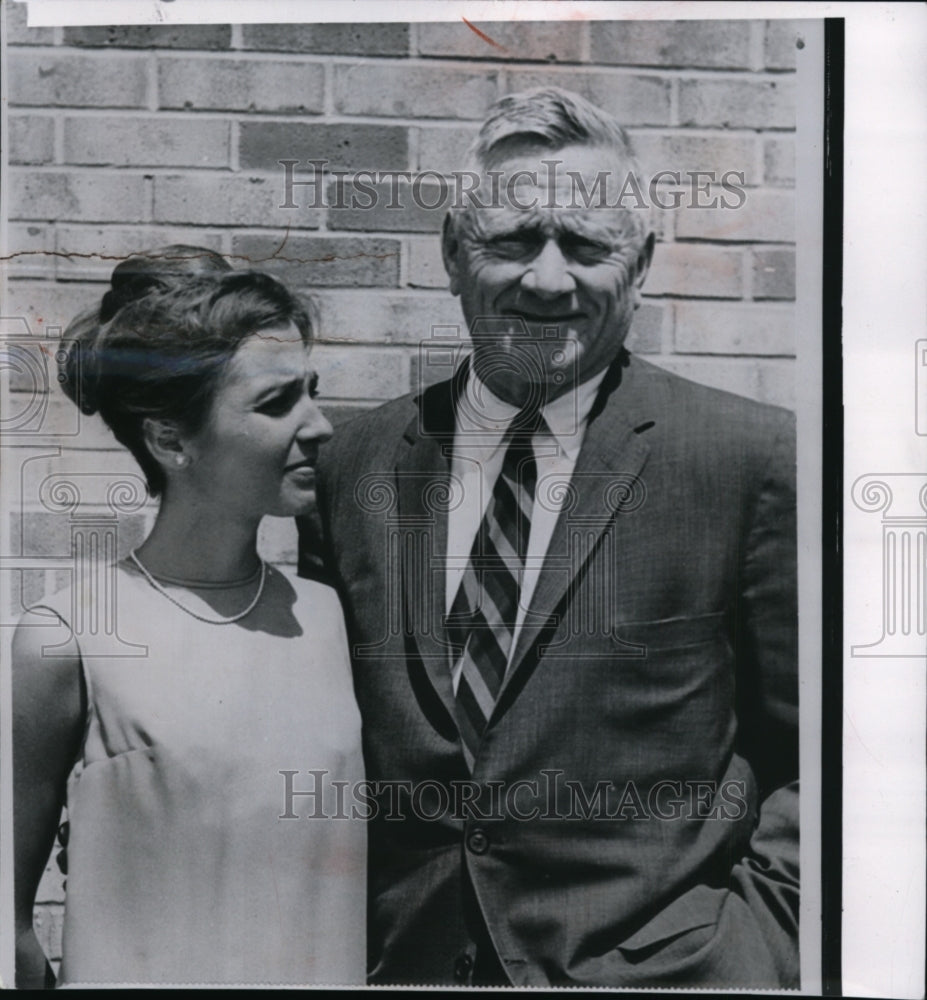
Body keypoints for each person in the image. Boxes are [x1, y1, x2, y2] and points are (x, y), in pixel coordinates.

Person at [298, 88, 798, 988]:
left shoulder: (747, 458)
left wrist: (758, 945)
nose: (546, 279)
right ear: (453, 253)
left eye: (587, 245)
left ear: (640, 263)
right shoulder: (351, 465)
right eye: (513, 239)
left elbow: (831, 753)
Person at [13, 250, 366, 987]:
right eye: (277, 404)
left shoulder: (333, 618)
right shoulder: (69, 635)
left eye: (312, 392)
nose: (320, 425)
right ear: (170, 439)